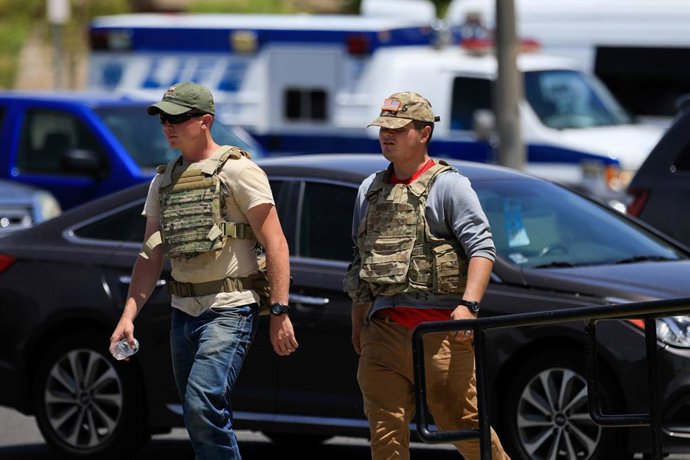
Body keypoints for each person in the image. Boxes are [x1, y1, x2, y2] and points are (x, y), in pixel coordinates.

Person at [109, 81, 298, 460]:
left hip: (229, 309)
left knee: (201, 402)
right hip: (184, 313)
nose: (168, 125)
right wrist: (128, 315)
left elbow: (276, 243)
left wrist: (279, 310)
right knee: (198, 416)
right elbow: (150, 255)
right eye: (164, 118)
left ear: (205, 121)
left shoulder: (240, 172)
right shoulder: (163, 180)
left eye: (177, 118)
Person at [344, 91, 510, 459]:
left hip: (439, 332)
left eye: (397, 129)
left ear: (423, 133)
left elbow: (482, 249)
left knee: (462, 424)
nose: (387, 135)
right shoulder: (369, 189)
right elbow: (361, 259)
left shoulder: (449, 186)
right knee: (384, 431)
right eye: (383, 128)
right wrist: (359, 320)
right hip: (384, 330)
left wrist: (469, 306)